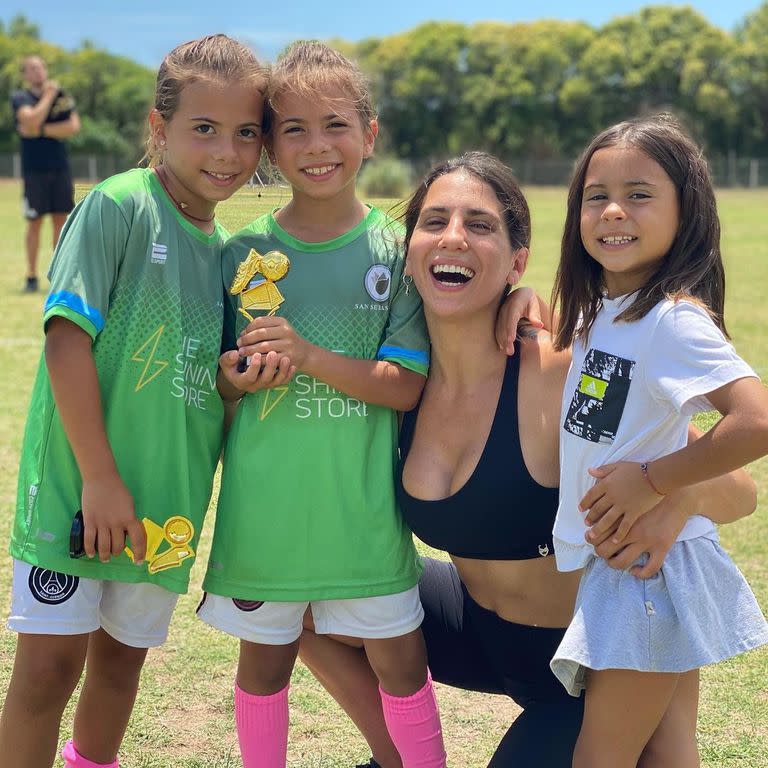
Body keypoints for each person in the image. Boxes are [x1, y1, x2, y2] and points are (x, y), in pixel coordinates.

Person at [296, 151, 759, 768]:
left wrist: (677, 493)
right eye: (433, 222)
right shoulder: (394, 381)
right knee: (292, 602)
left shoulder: (561, 367)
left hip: (581, 662)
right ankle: (397, 759)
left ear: (518, 261)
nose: (453, 237)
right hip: (472, 625)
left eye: (480, 225)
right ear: (410, 252)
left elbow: (743, 490)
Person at [0, 35, 267, 768]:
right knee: (48, 673)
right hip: (77, 491)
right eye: (204, 129)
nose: (228, 151)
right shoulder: (118, 206)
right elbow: (64, 339)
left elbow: (203, 381)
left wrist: (234, 382)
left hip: (167, 502)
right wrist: (99, 478)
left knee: (122, 669)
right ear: (159, 128)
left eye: (246, 132)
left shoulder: (228, 256)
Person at [196, 41, 447, 768]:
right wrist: (237, 376)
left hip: (363, 514)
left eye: (334, 124)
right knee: (264, 669)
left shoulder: (397, 251)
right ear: (271, 148)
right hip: (265, 514)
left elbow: (405, 384)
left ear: (368, 135)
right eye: (293, 129)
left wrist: (306, 355)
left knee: (402, 665)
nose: (317, 146)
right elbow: (214, 383)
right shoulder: (237, 254)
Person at [548, 114, 768, 768]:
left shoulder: (671, 319)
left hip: (646, 571)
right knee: (669, 751)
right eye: (597, 195)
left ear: (686, 211)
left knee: (603, 757)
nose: (614, 210)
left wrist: (654, 482)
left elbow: (755, 420)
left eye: (640, 194)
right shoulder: (601, 314)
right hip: (626, 565)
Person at [11, 55, 80, 292]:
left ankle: (58, 274)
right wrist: (48, 97)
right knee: (35, 222)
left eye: (41, 66)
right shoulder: (20, 97)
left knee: (61, 221)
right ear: (25, 75)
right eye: (32, 68)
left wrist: (38, 129)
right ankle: (31, 276)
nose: (38, 72)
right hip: (34, 170)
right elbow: (27, 119)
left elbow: (72, 126)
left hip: (60, 168)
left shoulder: (63, 97)